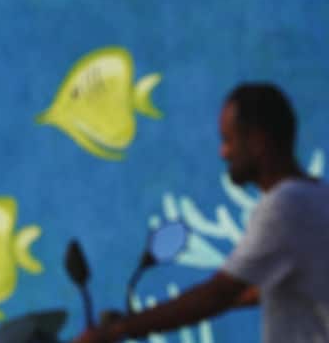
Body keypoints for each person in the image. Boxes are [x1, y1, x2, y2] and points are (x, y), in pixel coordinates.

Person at [74, 83, 329, 342]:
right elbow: (265, 289)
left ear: (257, 141)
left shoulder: (284, 206)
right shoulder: (318, 197)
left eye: (229, 140)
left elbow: (217, 294)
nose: (223, 152)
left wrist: (118, 330)